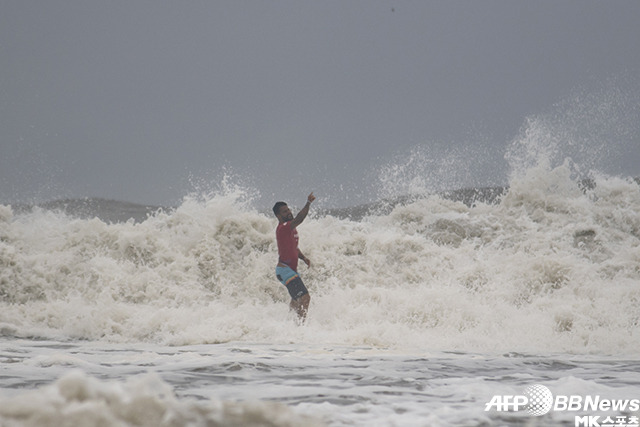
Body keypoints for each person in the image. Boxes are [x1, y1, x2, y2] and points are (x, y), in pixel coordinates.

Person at [273, 192, 316, 322]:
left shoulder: (291, 229)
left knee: (296, 301)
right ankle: (301, 327)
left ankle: (289, 325)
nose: (289, 212)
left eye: (288, 209)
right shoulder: (284, 228)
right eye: (285, 212)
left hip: (288, 271)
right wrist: (308, 203)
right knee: (305, 298)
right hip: (285, 270)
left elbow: (294, 247)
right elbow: (300, 218)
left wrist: (303, 258)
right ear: (278, 216)